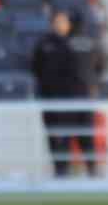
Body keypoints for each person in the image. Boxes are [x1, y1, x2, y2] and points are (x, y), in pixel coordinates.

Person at [31, 10, 98, 177]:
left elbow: (98, 66)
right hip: (54, 99)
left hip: (81, 98)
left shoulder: (84, 42)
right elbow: (36, 68)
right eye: (57, 21)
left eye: (63, 21)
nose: (59, 25)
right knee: (58, 137)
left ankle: (92, 170)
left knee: (86, 136)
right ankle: (60, 172)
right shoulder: (45, 44)